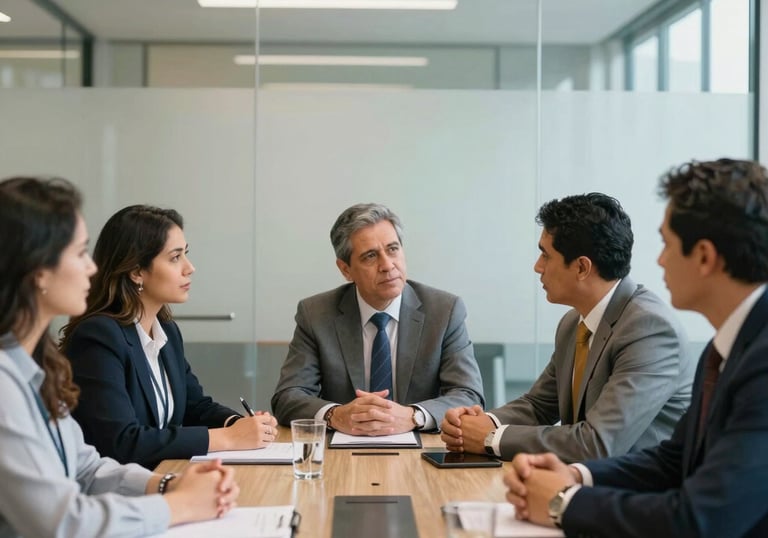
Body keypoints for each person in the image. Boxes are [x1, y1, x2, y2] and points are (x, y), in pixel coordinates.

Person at [505, 159, 768, 537]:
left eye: (667, 244)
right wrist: (577, 474)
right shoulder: (723, 348)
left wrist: (564, 501)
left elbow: (700, 520)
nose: (659, 259)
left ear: (705, 257)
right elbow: (674, 461)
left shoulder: (759, 362)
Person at [0, 176, 240, 537]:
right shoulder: (6, 385)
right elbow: (63, 522)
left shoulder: (37, 365)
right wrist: (180, 504)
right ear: (38, 272)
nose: (92, 268)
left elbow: (86, 468)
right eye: (79, 253)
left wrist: (166, 485)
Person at [441, 193, 695, 462]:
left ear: (582, 267)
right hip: (586, 484)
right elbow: (539, 405)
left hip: (641, 494)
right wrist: (481, 422)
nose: (537, 267)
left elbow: (597, 443)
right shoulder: (573, 323)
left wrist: (491, 438)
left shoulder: (648, 329)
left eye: (545, 255)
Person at [61, 205, 277, 469]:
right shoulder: (98, 337)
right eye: (175, 258)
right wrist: (228, 438)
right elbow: (120, 441)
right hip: (121, 494)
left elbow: (194, 406)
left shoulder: (167, 330)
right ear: (137, 271)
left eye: (186, 254)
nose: (190, 268)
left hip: (168, 475)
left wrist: (239, 424)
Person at [271, 203, 484, 435]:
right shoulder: (316, 314)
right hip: (341, 453)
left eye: (393, 249)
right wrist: (335, 415)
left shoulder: (444, 311)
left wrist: (414, 416)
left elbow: (468, 395)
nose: (387, 265)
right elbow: (288, 396)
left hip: (422, 450)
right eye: (370, 256)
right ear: (345, 270)